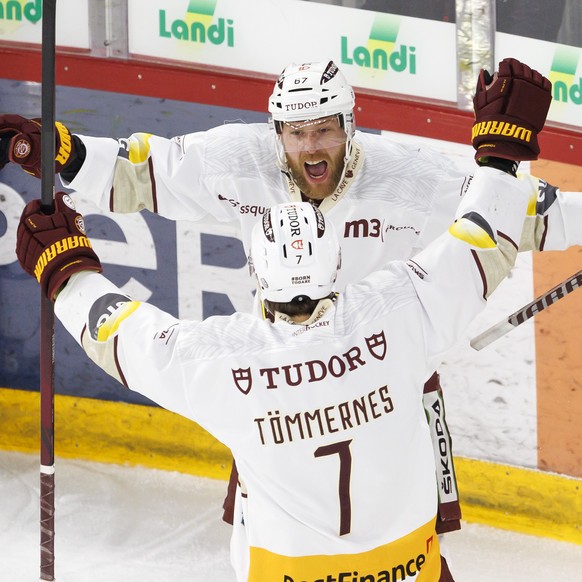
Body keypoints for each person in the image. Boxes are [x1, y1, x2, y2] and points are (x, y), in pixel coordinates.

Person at [0, 57, 560, 571]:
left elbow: (130, 339)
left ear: (349, 124)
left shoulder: (229, 364)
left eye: (324, 130)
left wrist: (66, 269)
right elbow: (499, 229)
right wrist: (502, 159)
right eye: (297, 133)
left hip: (279, 390)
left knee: (269, 514)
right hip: (393, 357)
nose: (311, 148)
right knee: (408, 533)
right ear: (277, 134)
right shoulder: (405, 305)